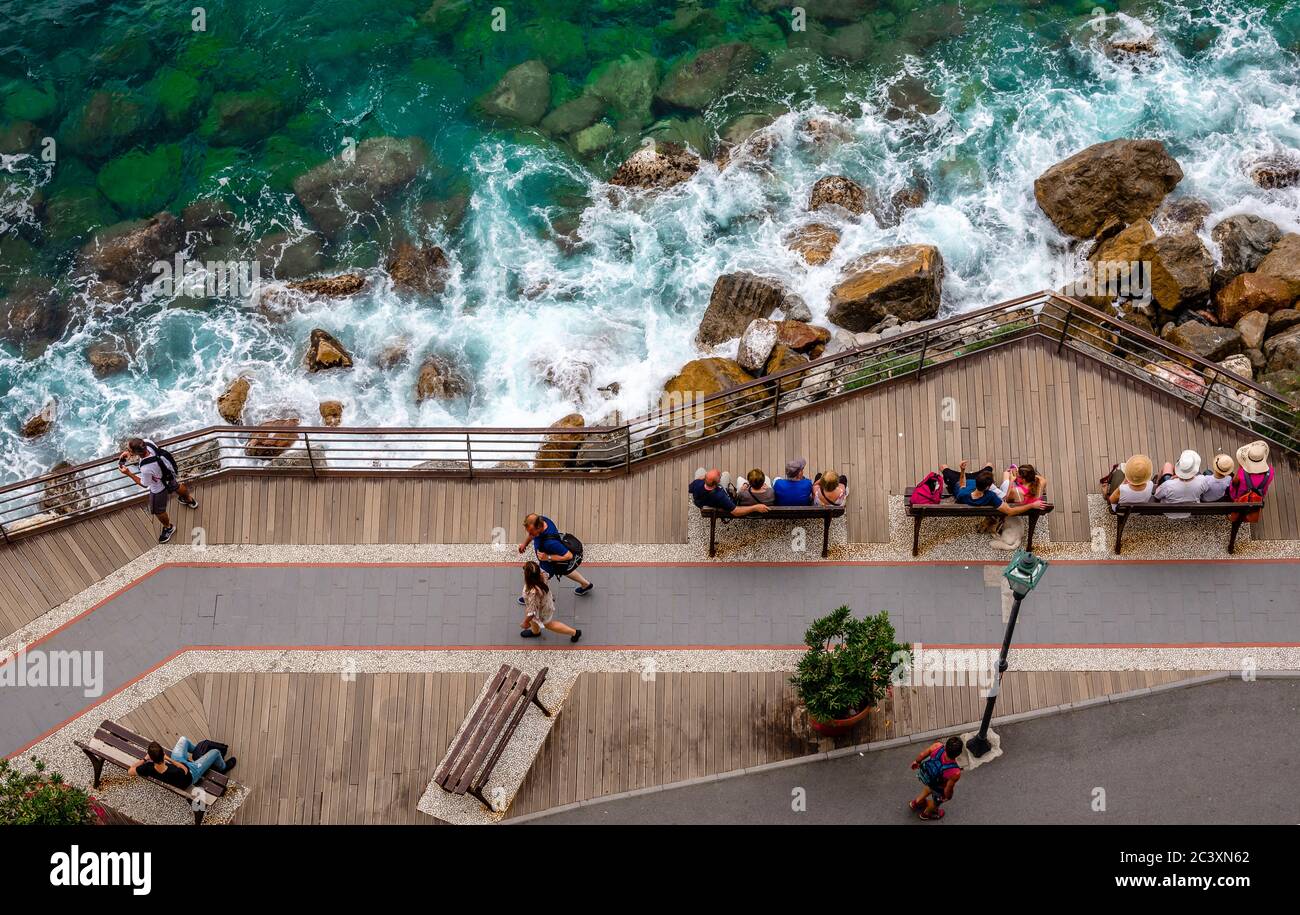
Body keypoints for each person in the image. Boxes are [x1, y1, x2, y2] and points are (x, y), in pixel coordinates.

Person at [118, 437, 198, 543]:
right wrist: (130, 453)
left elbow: (144, 484)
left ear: (135, 452)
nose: (127, 450)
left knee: (158, 510)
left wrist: (128, 473)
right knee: (177, 486)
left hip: (158, 487)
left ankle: (169, 528)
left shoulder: (146, 468)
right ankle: (189, 500)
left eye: (129, 449)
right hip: (168, 474)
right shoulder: (148, 442)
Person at [516, 513, 594, 595]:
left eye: (532, 532)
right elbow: (532, 534)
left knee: (538, 580)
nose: (530, 534)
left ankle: (530, 596)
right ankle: (586, 585)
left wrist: (547, 557)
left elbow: (569, 555)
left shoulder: (551, 543)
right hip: (550, 557)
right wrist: (525, 544)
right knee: (565, 570)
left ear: (538, 527)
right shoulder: (542, 520)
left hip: (548, 564)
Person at [129, 737, 235, 788]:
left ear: (151, 758)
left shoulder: (147, 767)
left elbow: (130, 770)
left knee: (183, 740)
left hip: (178, 765)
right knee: (215, 752)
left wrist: (144, 759)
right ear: (163, 754)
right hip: (192, 772)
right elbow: (184, 769)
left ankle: (197, 750)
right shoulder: (175, 771)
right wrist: (169, 759)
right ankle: (223, 767)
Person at [518, 561, 582, 642]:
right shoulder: (543, 574)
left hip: (542, 611)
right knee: (534, 620)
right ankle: (535, 632)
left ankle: (575, 633)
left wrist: (525, 622)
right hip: (546, 602)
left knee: (549, 625)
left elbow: (532, 612)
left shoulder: (532, 592)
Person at [909, 735, 963, 821]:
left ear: (945, 746)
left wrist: (916, 762)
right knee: (935, 803)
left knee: (928, 789)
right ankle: (925, 814)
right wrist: (948, 797)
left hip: (929, 778)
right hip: (939, 787)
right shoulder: (955, 772)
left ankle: (916, 802)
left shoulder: (937, 746)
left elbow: (922, 754)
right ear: (959, 754)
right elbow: (948, 789)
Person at [1153, 449, 1210, 519]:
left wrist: (1172, 479)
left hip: (1169, 513)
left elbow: (1157, 495)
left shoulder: (1168, 485)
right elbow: (1206, 490)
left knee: (1167, 465)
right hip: (1189, 511)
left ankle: (1156, 480)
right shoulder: (1202, 481)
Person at [689, 469, 770, 516]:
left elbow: (690, 489)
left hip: (702, 503)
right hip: (717, 503)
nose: (721, 476)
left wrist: (705, 478)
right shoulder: (720, 496)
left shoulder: (697, 483)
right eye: (720, 477)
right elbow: (736, 512)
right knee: (726, 474)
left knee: (700, 470)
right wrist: (755, 507)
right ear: (717, 483)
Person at [1228, 441, 1273, 523]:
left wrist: (1241, 467)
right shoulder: (1270, 471)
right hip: (1257, 497)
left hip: (1240, 498)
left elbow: (1233, 487)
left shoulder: (1241, 473)